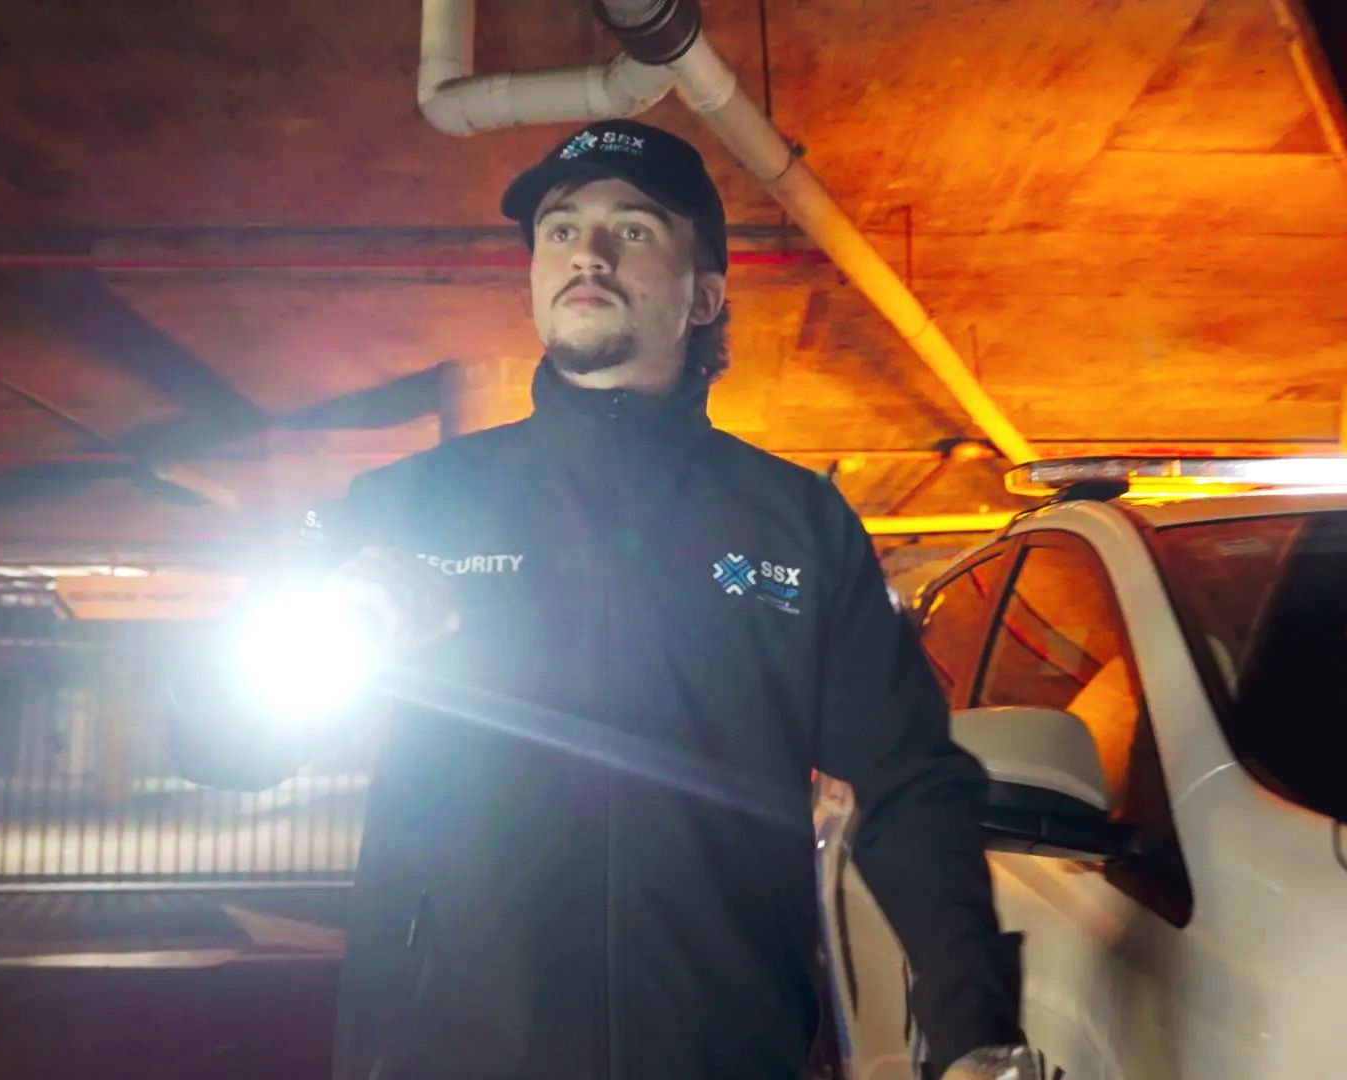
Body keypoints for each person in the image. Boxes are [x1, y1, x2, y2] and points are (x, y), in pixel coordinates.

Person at [176, 118, 1027, 1080]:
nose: (586, 250)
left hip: (724, 1052)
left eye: (632, 229)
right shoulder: (410, 507)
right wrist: (316, 636)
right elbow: (217, 747)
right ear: (537, 278)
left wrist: (974, 1031)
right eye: (559, 228)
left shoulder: (797, 526)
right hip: (453, 1054)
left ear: (704, 294)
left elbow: (909, 781)